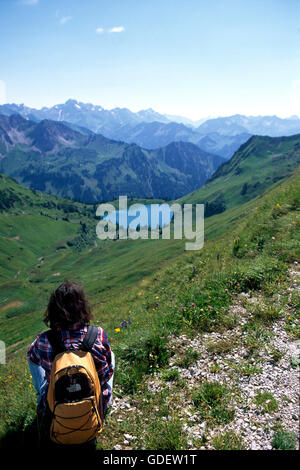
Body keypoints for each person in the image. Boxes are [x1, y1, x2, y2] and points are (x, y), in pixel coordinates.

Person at [27, 281, 115, 424]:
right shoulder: (98, 334)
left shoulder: (43, 340)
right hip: (95, 409)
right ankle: (102, 400)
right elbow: (107, 374)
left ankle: (42, 398)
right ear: (82, 307)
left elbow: (32, 357)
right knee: (111, 357)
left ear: (53, 310)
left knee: (33, 357)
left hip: (58, 412)